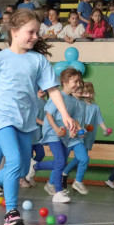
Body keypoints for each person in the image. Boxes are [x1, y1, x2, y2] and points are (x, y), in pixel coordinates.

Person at [0, 9, 79, 225]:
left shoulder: (38, 61)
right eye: (31, 32)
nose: (35, 36)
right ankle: (11, 212)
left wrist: (65, 114)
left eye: (37, 32)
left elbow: (52, 90)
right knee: (13, 161)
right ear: (14, 31)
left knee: (23, 169)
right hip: (0, 117)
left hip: (26, 120)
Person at [35, 67, 84, 203]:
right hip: (52, 132)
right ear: (65, 82)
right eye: (75, 81)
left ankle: (34, 166)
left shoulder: (74, 101)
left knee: (60, 162)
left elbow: (71, 119)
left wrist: (74, 130)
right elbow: (49, 114)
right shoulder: (57, 96)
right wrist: (56, 129)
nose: (78, 84)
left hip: (63, 134)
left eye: (79, 81)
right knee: (61, 161)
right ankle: (58, 192)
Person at [63, 82, 108, 194]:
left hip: (88, 137)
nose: (88, 95)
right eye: (85, 93)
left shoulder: (95, 107)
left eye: (90, 93)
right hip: (77, 135)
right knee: (80, 157)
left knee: (81, 158)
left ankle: (66, 174)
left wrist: (105, 129)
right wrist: (80, 128)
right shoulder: (79, 104)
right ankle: (64, 175)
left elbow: (99, 119)